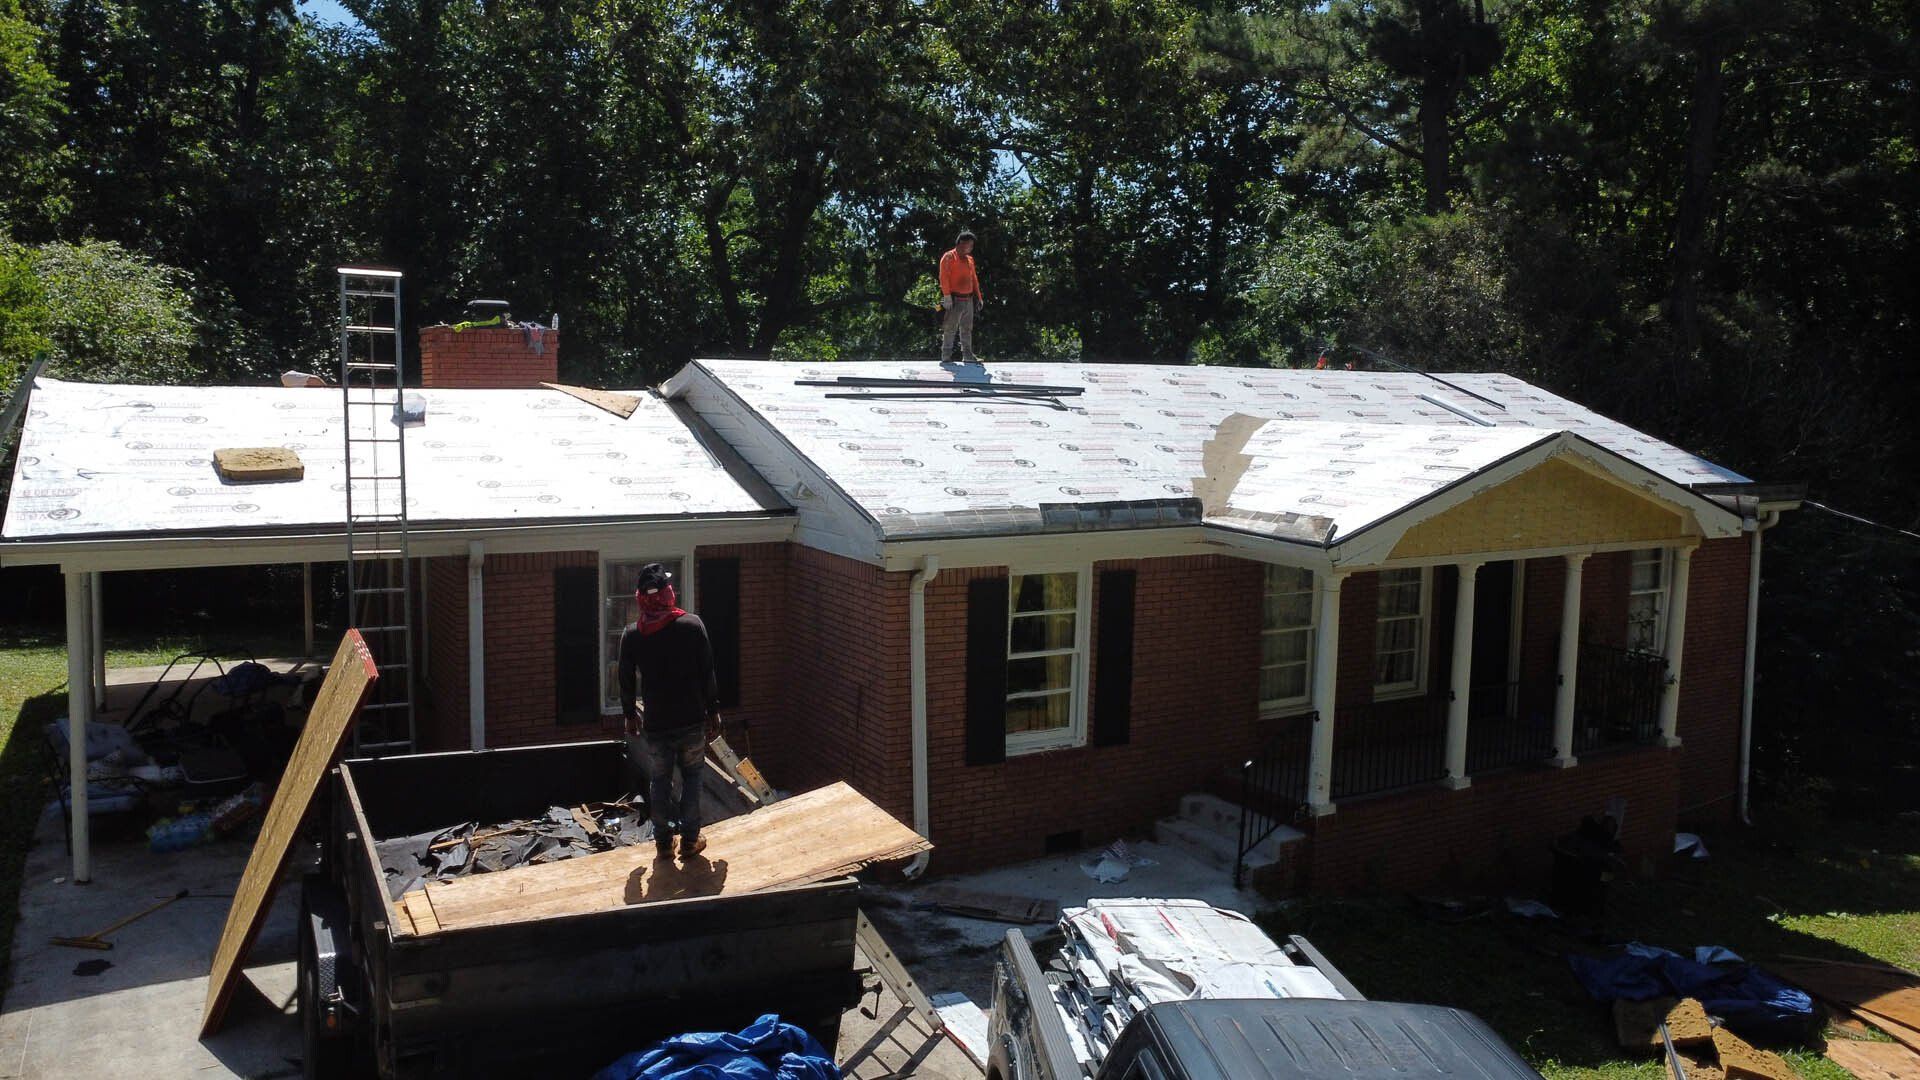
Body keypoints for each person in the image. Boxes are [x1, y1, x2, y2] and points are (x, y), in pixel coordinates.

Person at [617, 563, 719, 860]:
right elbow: (707, 673)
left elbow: (625, 680)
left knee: (660, 782)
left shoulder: (633, 635)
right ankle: (689, 840)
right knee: (692, 778)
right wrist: (714, 711)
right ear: (667, 593)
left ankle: (663, 842)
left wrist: (629, 714)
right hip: (691, 720)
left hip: (657, 723)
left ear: (641, 598)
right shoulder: (692, 625)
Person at [938, 231, 986, 363]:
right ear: (960, 243)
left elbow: (974, 279)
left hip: (968, 298)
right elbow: (944, 277)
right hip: (955, 299)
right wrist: (947, 296)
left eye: (972, 246)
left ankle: (968, 355)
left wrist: (979, 297)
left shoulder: (970, 259)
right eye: (968, 245)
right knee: (950, 327)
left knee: (967, 328)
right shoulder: (949, 257)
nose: (970, 248)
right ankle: (946, 355)